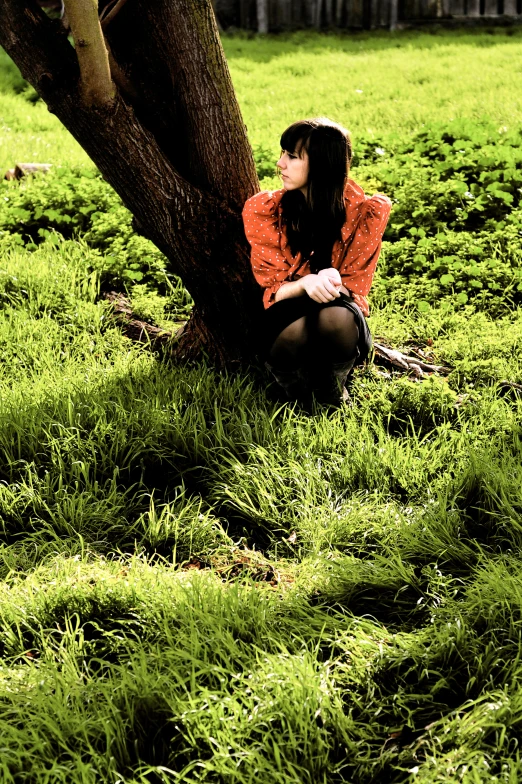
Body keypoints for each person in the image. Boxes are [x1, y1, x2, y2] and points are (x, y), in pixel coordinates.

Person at [242, 117, 391, 407]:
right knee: (295, 331)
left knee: (336, 317)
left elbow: (353, 288)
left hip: (336, 308)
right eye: (283, 153)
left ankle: (332, 389)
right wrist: (306, 283)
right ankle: (293, 389)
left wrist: (332, 281)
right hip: (285, 310)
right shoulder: (267, 210)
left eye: (292, 156)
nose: (280, 164)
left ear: (322, 163)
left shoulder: (364, 214)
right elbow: (272, 287)